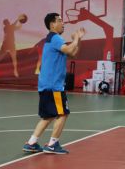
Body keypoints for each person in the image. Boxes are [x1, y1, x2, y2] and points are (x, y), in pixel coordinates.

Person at [22, 13, 85, 154]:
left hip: (45, 85)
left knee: (48, 116)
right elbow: (69, 49)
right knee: (63, 114)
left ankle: (31, 143)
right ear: (52, 24)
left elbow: (72, 53)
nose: (63, 23)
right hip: (54, 86)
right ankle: (52, 144)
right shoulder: (55, 38)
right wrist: (75, 39)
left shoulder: (51, 39)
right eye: (60, 21)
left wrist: (78, 40)